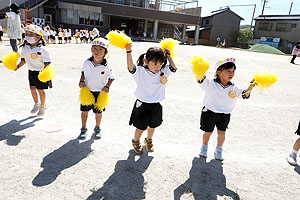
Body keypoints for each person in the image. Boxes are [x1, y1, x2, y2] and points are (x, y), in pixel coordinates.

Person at [198, 58, 255, 161]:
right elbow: (200, 78)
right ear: (219, 72)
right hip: (209, 112)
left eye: (233, 71)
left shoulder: (234, 87)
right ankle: (204, 147)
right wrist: (200, 69)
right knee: (208, 132)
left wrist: (252, 85)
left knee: (222, 132)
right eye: (228, 71)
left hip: (225, 114)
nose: (231, 73)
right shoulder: (210, 83)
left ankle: (219, 149)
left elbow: (244, 95)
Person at [125, 43, 177, 154]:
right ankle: (136, 141)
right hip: (142, 104)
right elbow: (130, 67)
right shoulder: (140, 71)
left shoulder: (163, 72)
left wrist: (167, 55)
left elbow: (174, 67)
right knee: (140, 127)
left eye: (160, 63)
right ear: (146, 62)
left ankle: (148, 140)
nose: (157, 67)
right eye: (155, 63)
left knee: (153, 126)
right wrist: (128, 52)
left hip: (156, 104)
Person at [78, 38, 115, 139]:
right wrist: (81, 80)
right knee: (84, 111)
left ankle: (97, 128)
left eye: (100, 49)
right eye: (94, 48)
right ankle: (83, 128)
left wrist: (107, 86)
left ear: (105, 52)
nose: (96, 51)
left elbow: (112, 77)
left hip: (100, 93)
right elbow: (83, 72)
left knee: (98, 112)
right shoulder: (86, 62)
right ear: (91, 49)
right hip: (87, 91)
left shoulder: (107, 66)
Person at [14, 24, 52, 116]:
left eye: (31, 35)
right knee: (32, 88)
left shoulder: (42, 50)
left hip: (40, 72)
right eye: (26, 34)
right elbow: (24, 60)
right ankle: (36, 104)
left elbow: (47, 63)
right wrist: (18, 66)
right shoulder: (25, 47)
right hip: (31, 71)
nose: (27, 36)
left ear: (38, 37)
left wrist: (45, 74)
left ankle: (43, 106)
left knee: (40, 90)